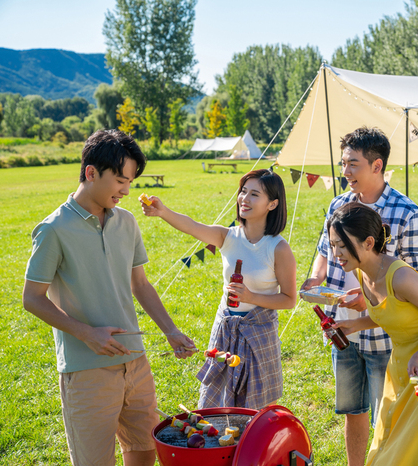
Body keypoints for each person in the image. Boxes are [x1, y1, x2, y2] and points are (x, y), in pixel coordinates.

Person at [22, 130, 196, 466]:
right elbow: (32, 298)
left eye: (129, 181)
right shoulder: (53, 229)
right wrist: (87, 333)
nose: (126, 191)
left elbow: (141, 285)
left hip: (136, 362)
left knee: (146, 451)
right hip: (87, 372)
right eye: (119, 180)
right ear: (91, 172)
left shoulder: (127, 222)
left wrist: (171, 331)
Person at [301, 127, 418, 466]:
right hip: (342, 329)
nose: (345, 172)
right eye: (343, 163)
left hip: (384, 335)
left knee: (385, 419)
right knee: (352, 412)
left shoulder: (407, 213)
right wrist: (315, 279)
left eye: (353, 165)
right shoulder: (338, 204)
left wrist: (371, 298)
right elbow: (323, 253)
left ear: (377, 166)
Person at [141, 168, 296, 409]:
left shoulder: (278, 248)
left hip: (259, 333)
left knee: (258, 408)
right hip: (225, 328)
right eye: (243, 191)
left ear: (272, 204)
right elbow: (192, 226)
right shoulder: (227, 236)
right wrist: (163, 211)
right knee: (215, 403)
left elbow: (289, 299)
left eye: (255, 194)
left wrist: (251, 296)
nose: (245, 199)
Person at [329, 203, 418, 465]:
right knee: (388, 442)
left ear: (369, 242)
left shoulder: (401, 277)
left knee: (413, 450)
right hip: (404, 363)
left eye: (342, 245)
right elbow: (394, 315)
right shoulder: (361, 271)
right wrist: (355, 325)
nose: (336, 253)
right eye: (333, 244)